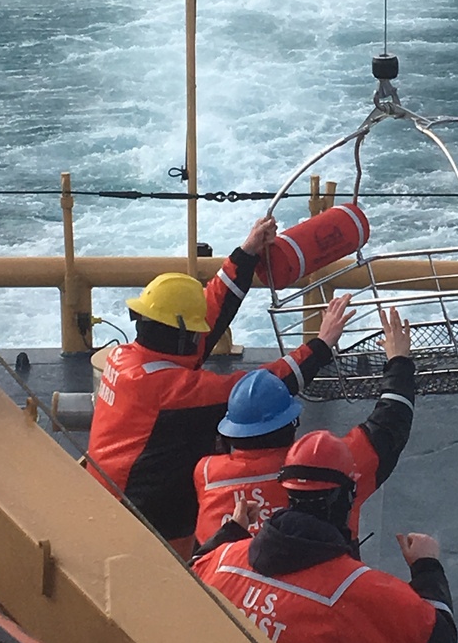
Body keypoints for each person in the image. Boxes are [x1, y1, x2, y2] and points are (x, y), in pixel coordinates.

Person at [87, 215, 354, 558]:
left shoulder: (128, 356)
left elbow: (210, 309)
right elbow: (258, 388)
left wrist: (247, 252)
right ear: (182, 336)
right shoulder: (171, 391)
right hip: (143, 525)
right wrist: (321, 345)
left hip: (104, 500)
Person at [193, 429, 456, 643]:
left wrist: (230, 532)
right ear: (346, 496)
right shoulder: (355, 591)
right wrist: (427, 566)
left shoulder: (223, 560)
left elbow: (186, 576)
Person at [192, 306, 414, 547]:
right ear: (292, 424)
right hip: (327, 571)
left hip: (224, 572)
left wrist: (320, 346)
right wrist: (398, 360)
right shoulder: (334, 469)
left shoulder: (206, 473)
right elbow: (390, 423)